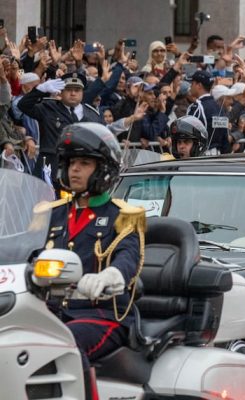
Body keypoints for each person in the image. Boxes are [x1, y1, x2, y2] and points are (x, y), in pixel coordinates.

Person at [39, 123, 143, 398]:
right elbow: (23, 253)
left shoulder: (123, 215)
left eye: (84, 163)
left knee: (65, 343)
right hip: (50, 312)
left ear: (104, 169)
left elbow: (129, 256)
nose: (74, 169)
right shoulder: (51, 214)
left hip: (101, 314)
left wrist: (109, 277)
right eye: (72, 162)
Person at [18, 73, 105, 184]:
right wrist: (40, 90)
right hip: (50, 168)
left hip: (78, 170)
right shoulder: (48, 108)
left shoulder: (92, 115)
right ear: (61, 92)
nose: (73, 93)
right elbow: (23, 105)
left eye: (77, 90)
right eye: (68, 90)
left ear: (83, 93)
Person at [185, 70, 230, 154]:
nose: (190, 87)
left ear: (199, 85)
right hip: (218, 156)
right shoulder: (219, 107)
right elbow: (225, 138)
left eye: (192, 84)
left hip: (201, 156)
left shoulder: (198, 107)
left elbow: (189, 134)